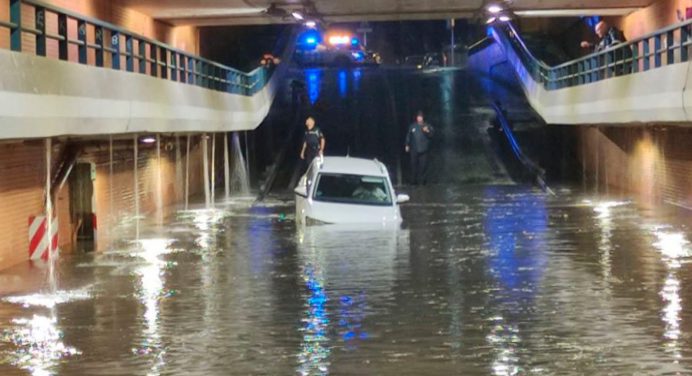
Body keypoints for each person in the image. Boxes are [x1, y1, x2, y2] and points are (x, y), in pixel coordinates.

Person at [405, 111, 434, 185]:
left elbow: (431, 135)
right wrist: (407, 144)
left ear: (423, 118)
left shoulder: (427, 125)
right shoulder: (413, 126)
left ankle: (423, 182)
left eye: (420, 117)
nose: (419, 118)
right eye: (418, 117)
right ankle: (413, 182)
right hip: (414, 149)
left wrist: (427, 131)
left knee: (423, 167)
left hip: (424, 149)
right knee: (413, 166)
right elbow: (408, 135)